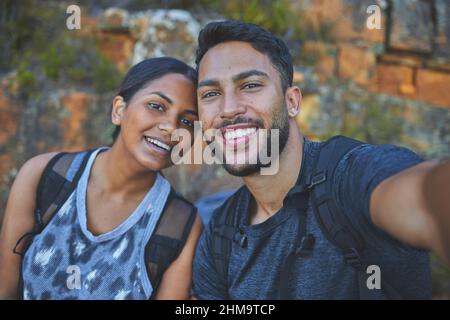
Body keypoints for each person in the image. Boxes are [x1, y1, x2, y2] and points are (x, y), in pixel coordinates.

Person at [191, 20, 450, 299]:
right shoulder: (220, 234)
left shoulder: (351, 177)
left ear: (292, 101)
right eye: (211, 94)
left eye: (251, 85)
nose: (228, 109)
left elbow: (420, 197)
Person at [0, 57, 203, 300]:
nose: (171, 127)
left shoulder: (180, 225)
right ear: (119, 110)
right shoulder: (44, 176)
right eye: (156, 106)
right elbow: (5, 290)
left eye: (187, 121)